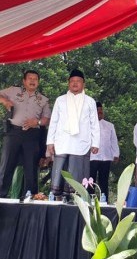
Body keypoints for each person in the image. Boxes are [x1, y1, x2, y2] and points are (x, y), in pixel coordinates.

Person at [47, 69, 100, 197]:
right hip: (62, 142)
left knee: (78, 172)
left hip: (81, 143)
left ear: (84, 84)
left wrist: (96, 143)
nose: (75, 84)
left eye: (78, 81)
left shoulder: (90, 101)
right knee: (60, 171)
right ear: (68, 83)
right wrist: (50, 142)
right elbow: (54, 121)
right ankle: (57, 198)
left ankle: (76, 199)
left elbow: (94, 124)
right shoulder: (60, 100)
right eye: (72, 81)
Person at [0, 70, 51, 197]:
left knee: (31, 168)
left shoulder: (43, 99)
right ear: (24, 81)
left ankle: (30, 197)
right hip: (13, 133)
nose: (33, 81)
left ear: (38, 82)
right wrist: (5, 101)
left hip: (32, 135)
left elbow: (47, 119)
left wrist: (37, 122)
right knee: (6, 165)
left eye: (35, 79)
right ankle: (1, 196)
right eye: (30, 78)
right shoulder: (13, 91)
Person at [89, 102, 119, 198]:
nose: (100, 112)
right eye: (97, 111)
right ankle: (90, 200)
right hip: (91, 157)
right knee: (90, 180)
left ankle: (104, 201)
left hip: (106, 157)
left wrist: (116, 154)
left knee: (104, 180)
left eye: (101, 111)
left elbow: (114, 140)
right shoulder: (88, 125)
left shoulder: (110, 125)